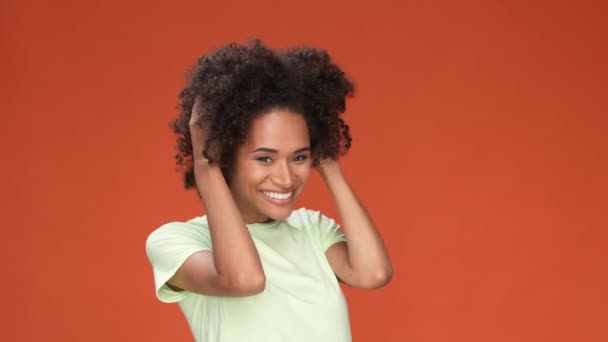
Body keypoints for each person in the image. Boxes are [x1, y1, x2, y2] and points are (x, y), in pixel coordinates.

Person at [145, 39, 392, 342]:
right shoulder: (177, 241)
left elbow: (373, 274)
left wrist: (327, 159)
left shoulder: (312, 230)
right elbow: (244, 279)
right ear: (224, 154)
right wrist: (206, 165)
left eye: (299, 157)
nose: (286, 178)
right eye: (265, 158)